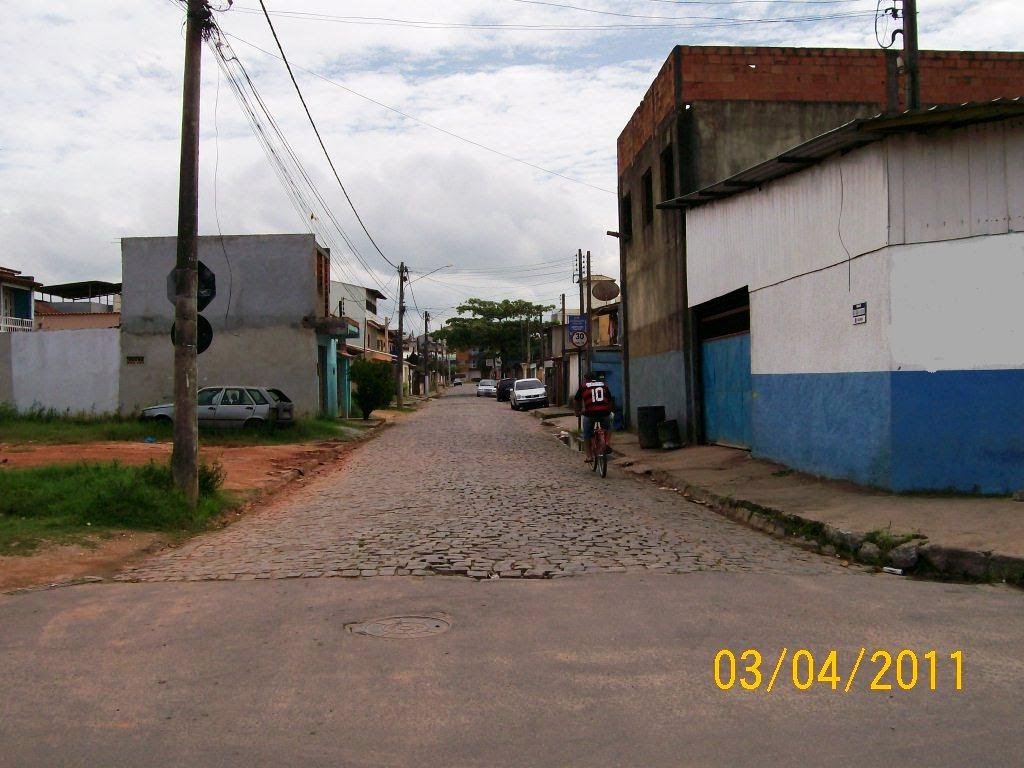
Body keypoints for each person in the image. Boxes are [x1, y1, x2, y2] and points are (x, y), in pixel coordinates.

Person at [573, 372, 614, 463]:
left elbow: (576, 400)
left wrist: (577, 412)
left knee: (587, 434)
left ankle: (589, 456)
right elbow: (610, 400)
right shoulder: (604, 385)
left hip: (590, 413)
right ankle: (607, 443)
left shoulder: (584, 386)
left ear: (586, 379)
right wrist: (609, 410)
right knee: (608, 426)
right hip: (604, 412)